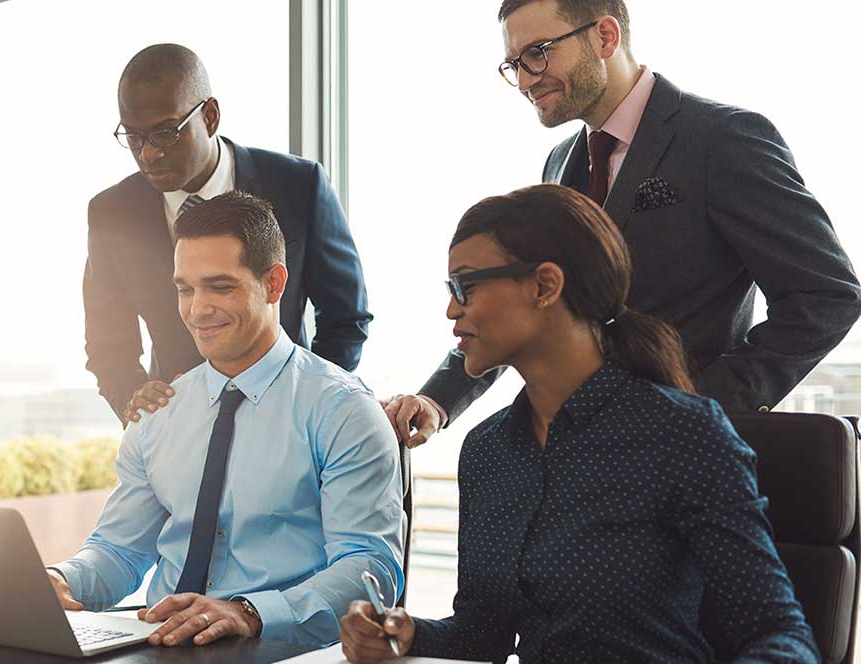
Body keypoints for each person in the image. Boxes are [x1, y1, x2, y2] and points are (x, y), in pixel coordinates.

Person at [338, 184, 817, 663]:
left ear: (545, 286)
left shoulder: (681, 433)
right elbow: (481, 636)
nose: (451, 310)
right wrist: (403, 634)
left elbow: (780, 637)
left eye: (466, 286)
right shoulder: (488, 450)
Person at [385, 0, 861, 447]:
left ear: (605, 36)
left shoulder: (723, 140)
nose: (526, 80)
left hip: (683, 460)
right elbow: (530, 308)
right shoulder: (560, 165)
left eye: (537, 54)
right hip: (577, 451)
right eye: (514, 65)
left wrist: (701, 405)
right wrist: (437, 401)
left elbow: (827, 297)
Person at [50, 192, 403, 647]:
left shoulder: (343, 410)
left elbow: (369, 568)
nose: (197, 310)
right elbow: (119, 551)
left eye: (220, 287)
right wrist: (62, 578)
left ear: (274, 284)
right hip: (161, 648)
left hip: (283, 654)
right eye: (185, 289)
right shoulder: (160, 412)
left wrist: (251, 612)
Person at [84, 43, 371, 424]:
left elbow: (345, 317)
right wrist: (135, 400)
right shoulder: (112, 213)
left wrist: (308, 400)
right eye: (133, 137)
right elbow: (107, 343)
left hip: (289, 419)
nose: (148, 154)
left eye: (165, 133)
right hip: (176, 424)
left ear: (210, 116)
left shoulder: (299, 186)